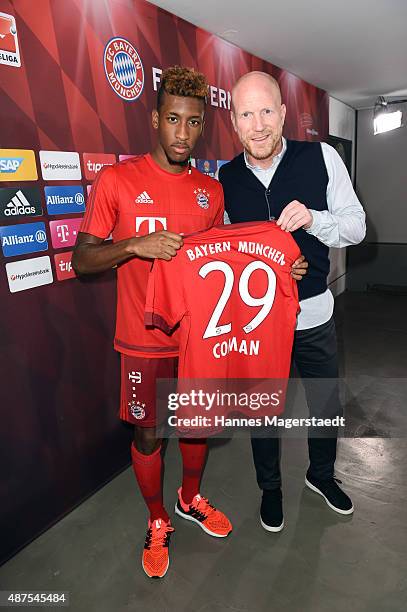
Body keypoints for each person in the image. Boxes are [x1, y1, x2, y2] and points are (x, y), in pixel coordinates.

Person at [72, 67, 234, 579]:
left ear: (202, 125)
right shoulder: (118, 181)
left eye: (193, 123)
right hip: (143, 342)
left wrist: (282, 267)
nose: (182, 133)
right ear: (155, 119)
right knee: (149, 436)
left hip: (198, 344)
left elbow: (226, 263)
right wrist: (133, 246)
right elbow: (82, 260)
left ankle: (190, 498)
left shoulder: (212, 192)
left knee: (195, 426)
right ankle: (158, 517)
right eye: (172, 120)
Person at [218, 71, 366, 532]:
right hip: (259, 325)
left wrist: (314, 220)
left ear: (283, 114)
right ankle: (271, 490)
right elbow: (227, 250)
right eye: (247, 114)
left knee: (325, 404)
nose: (258, 124)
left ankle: (321, 476)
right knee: (263, 412)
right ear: (234, 122)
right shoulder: (226, 177)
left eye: (267, 111)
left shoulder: (320, 157)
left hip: (315, 314)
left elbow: (356, 227)